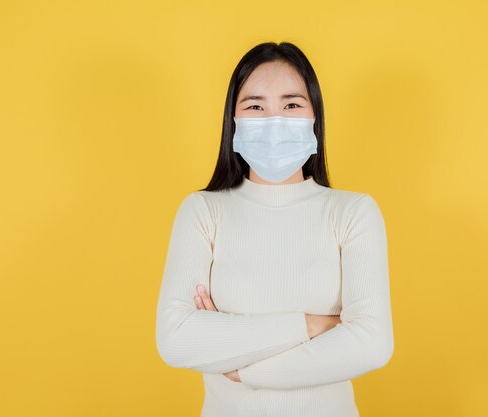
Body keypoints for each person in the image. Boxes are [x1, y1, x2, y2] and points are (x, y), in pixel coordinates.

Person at [155, 41, 394, 417]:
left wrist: (241, 366)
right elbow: (176, 340)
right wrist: (314, 325)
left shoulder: (352, 212)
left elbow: (372, 343)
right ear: (233, 120)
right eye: (255, 106)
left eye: (291, 104)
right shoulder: (203, 212)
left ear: (315, 116)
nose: (273, 119)